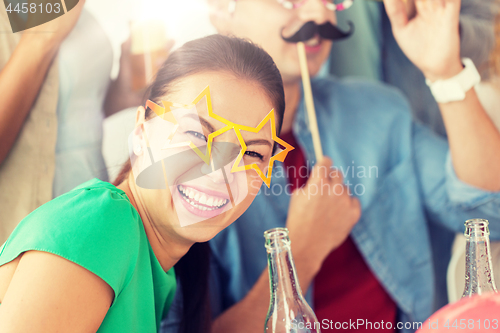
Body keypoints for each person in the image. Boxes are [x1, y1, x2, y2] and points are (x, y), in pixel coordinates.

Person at [160, 0, 500, 332]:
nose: (320, 14)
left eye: (331, 0)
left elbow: (491, 215)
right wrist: (303, 251)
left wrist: (446, 74)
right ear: (221, 10)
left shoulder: (379, 110)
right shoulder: (190, 166)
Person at [0, 34, 287, 333]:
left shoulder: (157, 266)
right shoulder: (100, 227)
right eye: (198, 136)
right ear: (140, 132)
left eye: (252, 152)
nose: (220, 172)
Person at [0, 0, 147, 244]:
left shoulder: (81, 12)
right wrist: (41, 39)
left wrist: (122, 92)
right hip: (29, 236)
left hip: (90, 218)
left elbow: (66, 114)